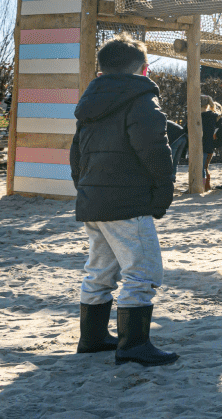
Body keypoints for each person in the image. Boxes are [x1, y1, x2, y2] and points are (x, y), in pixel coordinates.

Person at [69, 36, 178, 366]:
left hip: (94, 198)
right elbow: (155, 150)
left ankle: (93, 337)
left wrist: (85, 188)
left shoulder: (91, 103)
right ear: (144, 70)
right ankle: (133, 345)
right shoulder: (141, 99)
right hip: (128, 201)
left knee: (100, 270)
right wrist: (163, 191)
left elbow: (77, 154)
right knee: (143, 271)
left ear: (101, 69)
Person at [197, 96, 222, 193]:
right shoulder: (214, 117)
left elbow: (221, 135)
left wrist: (214, 144)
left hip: (205, 147)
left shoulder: (208, 117)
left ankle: (203, 186)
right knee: (204, 168)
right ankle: (206, 186)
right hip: (208, 147)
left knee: (202, 168)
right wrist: (214, 144)